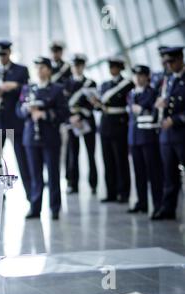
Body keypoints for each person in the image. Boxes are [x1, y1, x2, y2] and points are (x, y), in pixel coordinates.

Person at [17, 57, 69, 220]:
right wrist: (26, 110)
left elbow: (63, 114)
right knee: (35, 175)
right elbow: (18, 111)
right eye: (37, 67)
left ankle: (54, 208)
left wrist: (45, 114)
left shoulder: (57, 89)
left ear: (48, 70)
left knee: (53, 174)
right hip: (31, 137)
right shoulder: (27, 88)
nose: (39, 70)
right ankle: (35, 207)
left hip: (50, 137)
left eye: (42, 67)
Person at [0, 40, 31, 202]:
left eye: (4, 54)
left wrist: (15, 86)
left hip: (15, 123)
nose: (2, 58)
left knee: (23, 160)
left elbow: (27, 93)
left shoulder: (21, 70)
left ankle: (31, 196)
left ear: (9, 53)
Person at [92, 57, 134, 203]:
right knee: (107, 160)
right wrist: (96, 103)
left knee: (121, 160)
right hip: (105, 125)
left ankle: (124, 192)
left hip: (119, 124)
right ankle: (111, 192)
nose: (112, 70)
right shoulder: (104, 85)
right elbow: (100, 105)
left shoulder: (127, 84)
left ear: (120, 68)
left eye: (115, 67)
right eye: (110, 67)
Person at [152, 46, 185, 220]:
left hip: (181, 133)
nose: (169, 65)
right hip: (167, 134)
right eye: (167, 62)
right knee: (169, 173)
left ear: (180, 59)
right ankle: (168, 208)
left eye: (172, 61)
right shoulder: (168, 80)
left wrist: (176, 120)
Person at [127, 65, 163, 215]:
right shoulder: (131, 93)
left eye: (141, 75)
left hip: (148, 138)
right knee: (138, 172)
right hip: (134, 138)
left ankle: (157, 204)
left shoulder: (152, 93)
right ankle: (141, 202)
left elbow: (154, 114)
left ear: (147, 77)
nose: (138, 78)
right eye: (136, 75)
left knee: (153, 173)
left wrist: (142, 110)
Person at [65, 54, 97, 195]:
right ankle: (73, 184)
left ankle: (93, 183)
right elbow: (63, 105)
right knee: (73, 154)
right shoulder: (65, 84)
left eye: (79, 65)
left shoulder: (91, 83)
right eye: (74, 66)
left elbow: (93, 104)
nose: (76, 68)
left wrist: (80, 115)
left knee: (91, 154)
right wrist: (72, 118)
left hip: (87, 122)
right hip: (72, 123)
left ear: (83, 66)